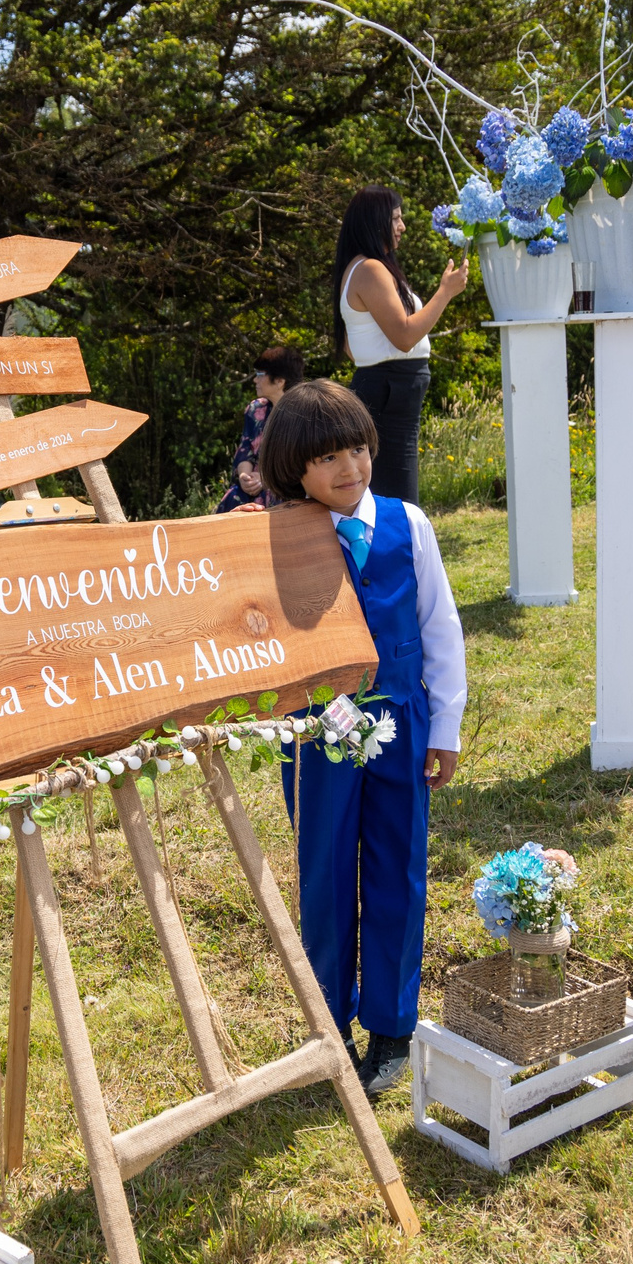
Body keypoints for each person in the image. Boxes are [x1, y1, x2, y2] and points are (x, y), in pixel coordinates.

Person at [256, 378, 466, 1100]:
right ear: (293, 470)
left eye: (355, 449)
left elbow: (441, 628)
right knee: (325, 871)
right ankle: (329, 1025)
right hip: (318, 733)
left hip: (403, 723)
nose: (347, 468)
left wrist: (446, 727)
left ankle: (392, 1026)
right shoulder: (282, 536)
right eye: (325, 459)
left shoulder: (411, 524)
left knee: (397, 867)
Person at [330, 187, 467, 505]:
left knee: (389, 489)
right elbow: (405, 338)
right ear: (375, 222)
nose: (402, 226)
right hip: (391, 387)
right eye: (396, 218)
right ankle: (400, 553)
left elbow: (352, 344)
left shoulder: (361, 268)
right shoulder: (370, 270)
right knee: (398, 496)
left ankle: (392, 551)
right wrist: (445, 292)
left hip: (387, 386)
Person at [217, 344, 304, 512]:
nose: (255, 380)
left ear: (280, 381)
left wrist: (266, 479)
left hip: (285, 487)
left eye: (260, 375)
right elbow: (245, 448)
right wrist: (244, 477)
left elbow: (301, 462)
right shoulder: (256, 409)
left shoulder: (303, 414)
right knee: (234, 496)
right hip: (253, 486)